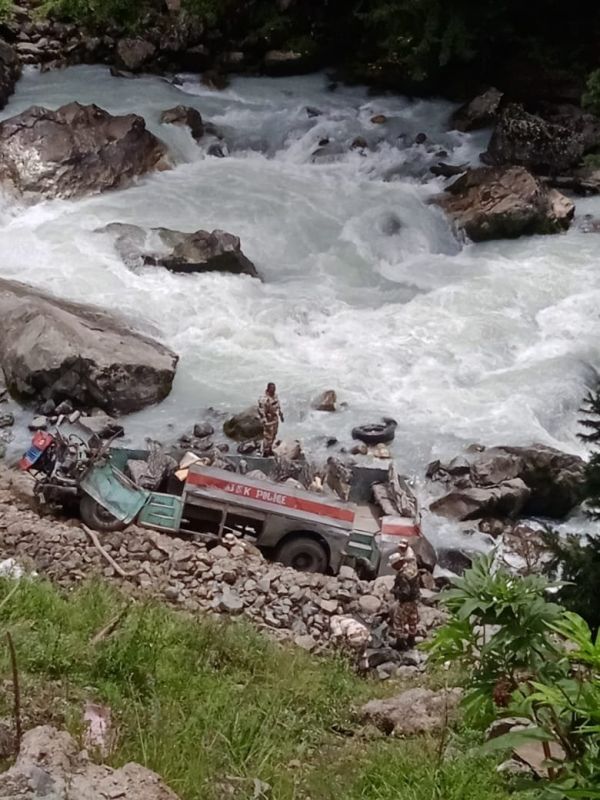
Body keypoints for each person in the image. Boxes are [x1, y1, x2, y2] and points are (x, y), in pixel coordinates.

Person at [388, 539, 420, 649]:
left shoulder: (402, 575)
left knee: (398, 620)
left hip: (406, 601)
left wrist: (395, 591)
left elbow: (405, 591)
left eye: (393, 565)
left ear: (398, 563)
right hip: (415, 599)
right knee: (412, 620)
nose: (393, 568)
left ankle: (400, 643)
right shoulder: (411, 568)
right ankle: (411, 640)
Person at [258, 382, 284, 457]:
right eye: (272, 388)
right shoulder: (264, 399)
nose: (274, 390)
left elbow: (278, 405)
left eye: (274, 388)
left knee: (274, 435)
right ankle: (265, 452)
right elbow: (261, 410)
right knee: (268, 436)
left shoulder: (275, 395)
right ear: (268, 389)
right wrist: (264, 420)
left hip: (275, 418)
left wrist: (281, 415)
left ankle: (269, 449)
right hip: (268, 419)